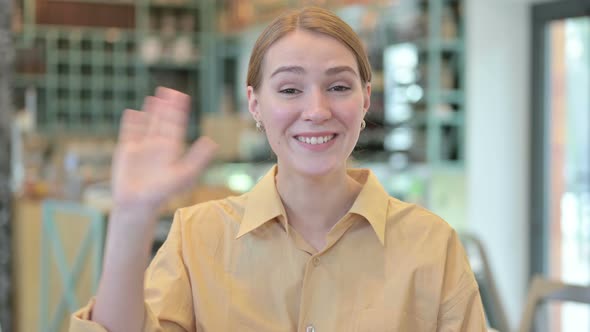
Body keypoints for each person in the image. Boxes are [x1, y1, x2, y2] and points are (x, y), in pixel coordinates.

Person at [70, 6, 487, 332]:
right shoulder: (196, 238)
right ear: (254, 103)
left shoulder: (433, 244)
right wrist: (131, 217)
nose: (317, 110)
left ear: (364, 100)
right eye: (290, 89)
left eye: (339, 87)